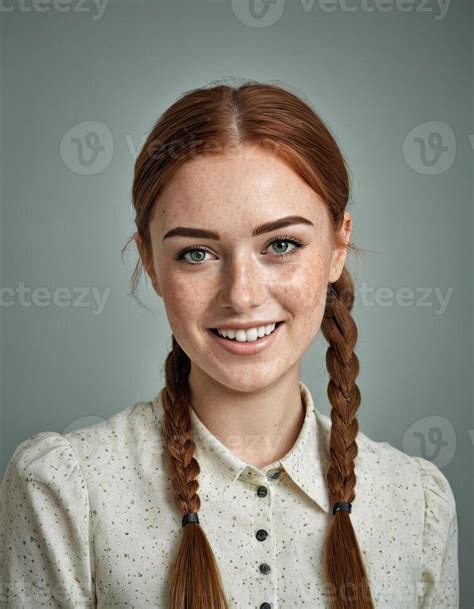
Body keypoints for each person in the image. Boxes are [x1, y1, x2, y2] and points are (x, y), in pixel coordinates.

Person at [0, 81, 459, 609]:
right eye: (196, 253)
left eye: (281, 245)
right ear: (150, 262)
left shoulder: (417, 503)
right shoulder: (63, 490)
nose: (241, 296)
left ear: (338, 247)